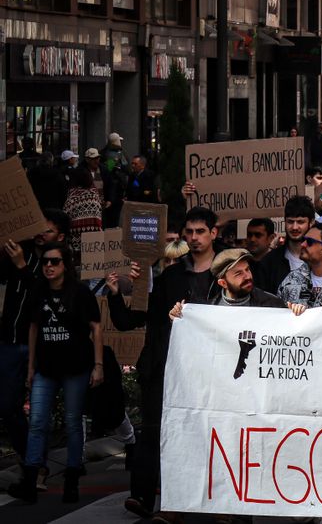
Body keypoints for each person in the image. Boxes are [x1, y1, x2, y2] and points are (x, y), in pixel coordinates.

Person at [108, 207, 220, 521]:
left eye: (200, 231)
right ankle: (143, 497)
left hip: (212, 369)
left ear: (214, 233)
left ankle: (214, 502)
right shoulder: (170, 277)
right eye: (190, 232)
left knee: (207, 433)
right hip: (164, 368)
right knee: (154, 432)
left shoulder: (226, 273)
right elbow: (131, 319)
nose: (194, 238)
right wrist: (118, 294)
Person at [3, 242, 100, 504]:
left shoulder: (80, 293)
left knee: (71, 422)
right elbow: (33, 328)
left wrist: (98, 366)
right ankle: (31, 479)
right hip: (45, 369)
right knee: (36, 422)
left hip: (75, 369)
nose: (48, 266)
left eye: (54, 261)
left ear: (65, 265)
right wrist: (32, 367)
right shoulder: (38, 291)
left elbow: (96, 328)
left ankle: (71, 480)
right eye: (45, 261)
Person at [257, 195, 315, 294]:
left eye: (300, 222)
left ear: (311, 222)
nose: (295, 227)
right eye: (290, 222)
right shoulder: (269, 262)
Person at [62, 166, 103, 256]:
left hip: (77, 241)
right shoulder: (94, 195)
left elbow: (64, 217)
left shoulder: (72, 198)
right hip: (95, 241)